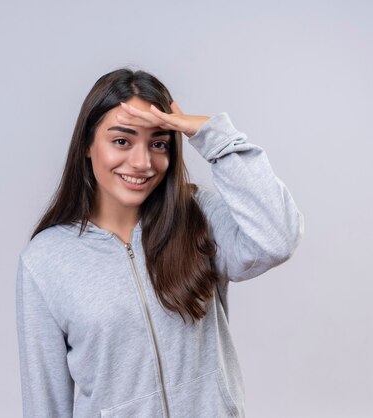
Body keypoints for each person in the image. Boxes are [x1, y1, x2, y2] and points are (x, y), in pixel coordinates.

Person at [16, 68, 304, 418]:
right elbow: (45, 404)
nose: (142, 162)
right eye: (121, 141)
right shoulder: (46, 260)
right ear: (87, 146)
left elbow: (278, 239)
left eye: (158, 143)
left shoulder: (199, 217)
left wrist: (214, 137)